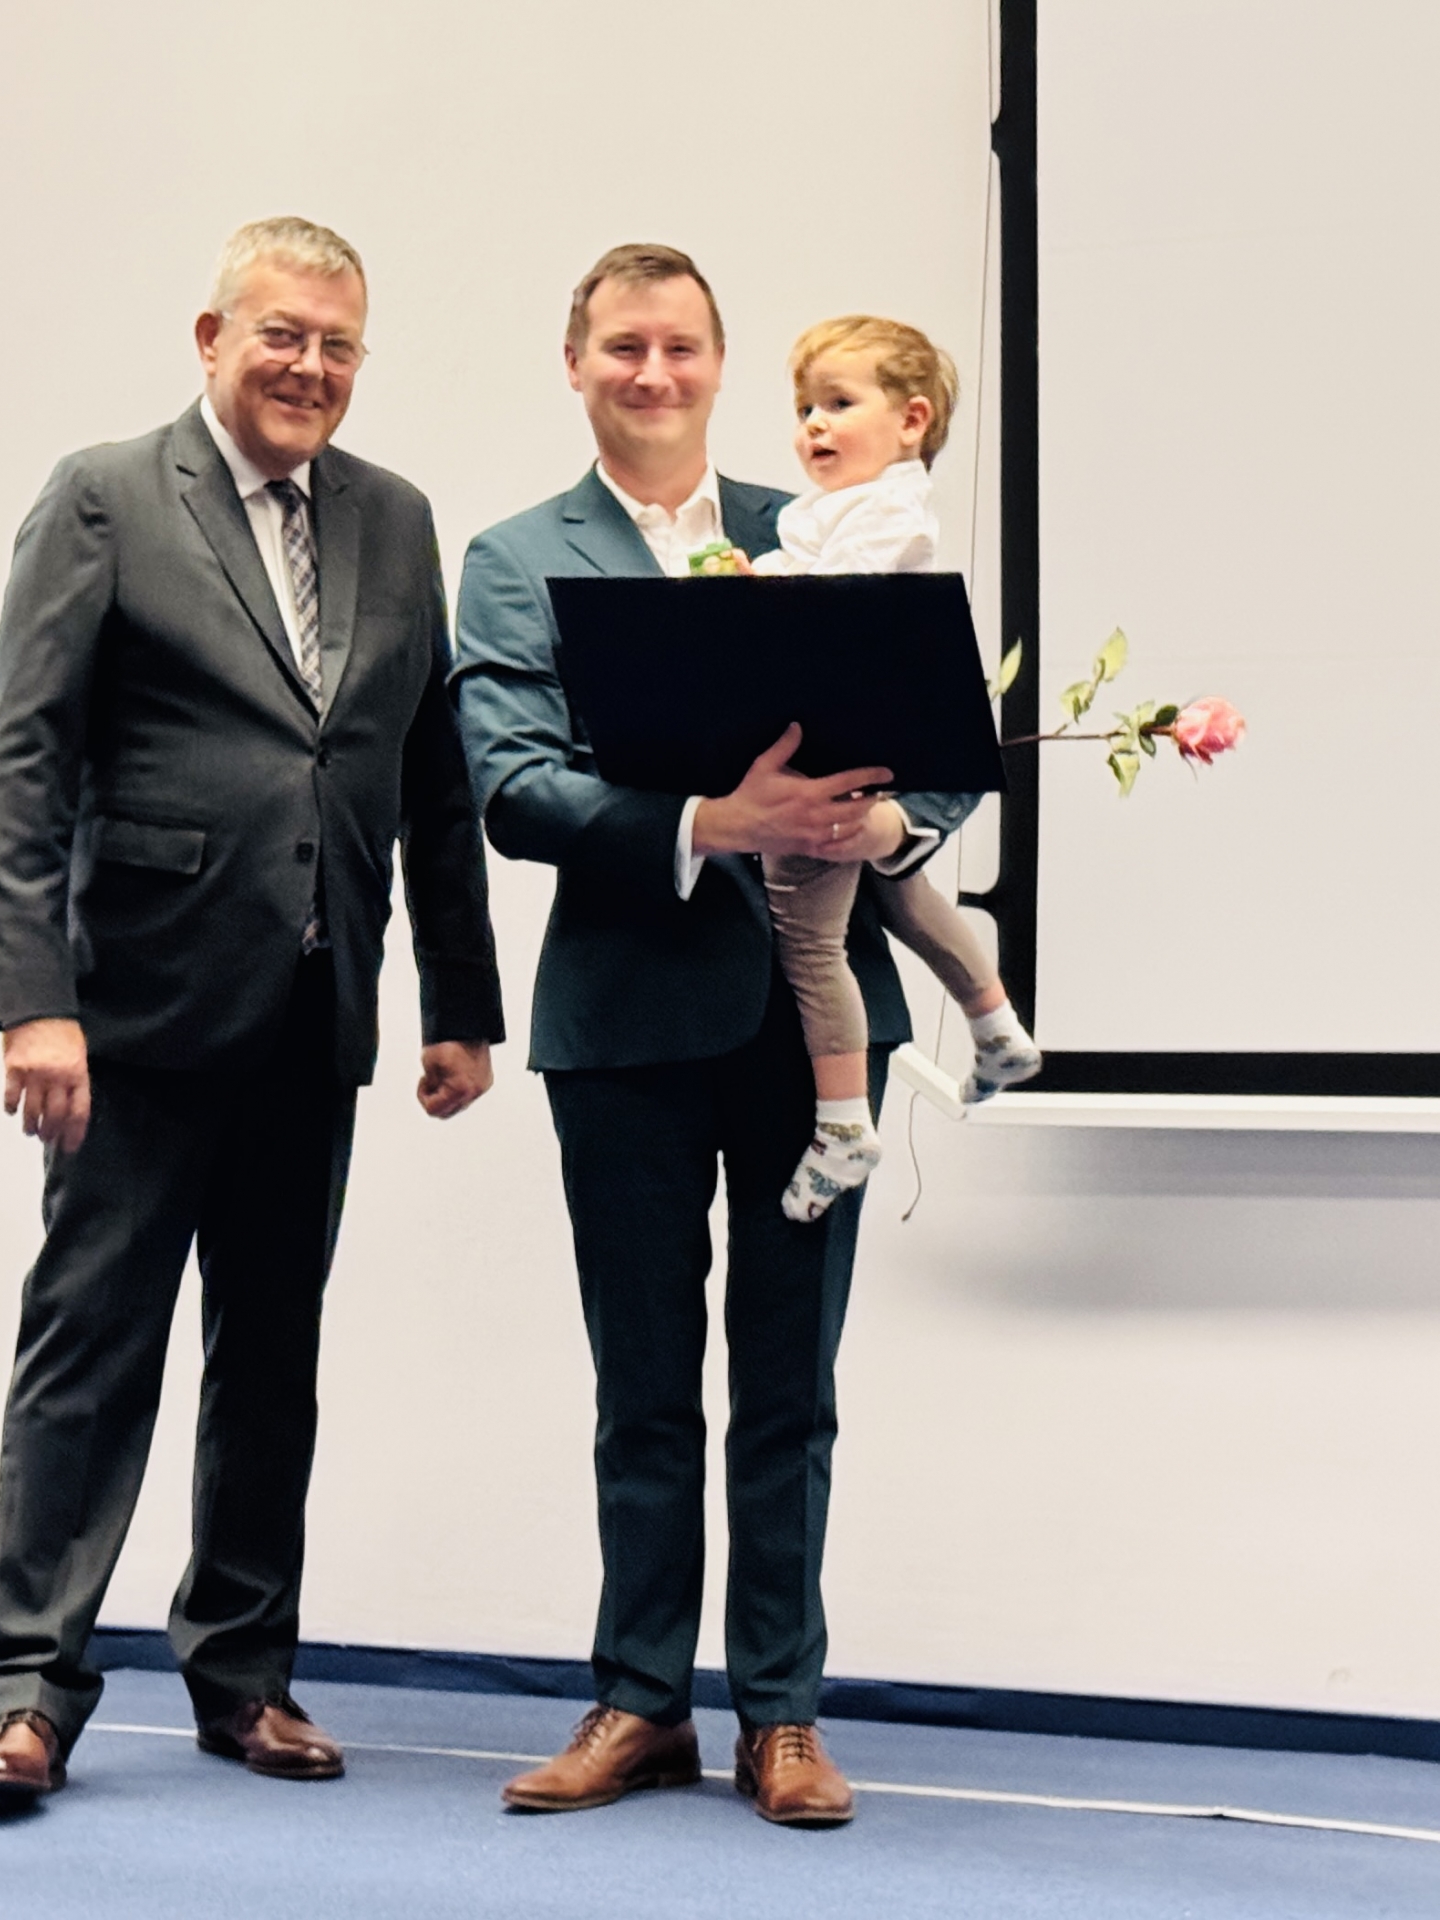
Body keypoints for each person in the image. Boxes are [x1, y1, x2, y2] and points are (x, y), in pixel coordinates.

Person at [0, 216, 505, 1803]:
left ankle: (245, 1675)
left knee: (271, 1361)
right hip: (131, 1015)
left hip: (314, 1008)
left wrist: (458, 999)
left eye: (338, 344)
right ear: (211, 338)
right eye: (283, 334)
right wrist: (33, 1001)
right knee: (91, 1353)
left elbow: (429, 773)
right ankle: (31, 1690)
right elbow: (26, 760)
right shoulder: (105, 495)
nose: (310, 367)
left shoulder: (395, 520)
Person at [450, 245, 972, 1827]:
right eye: (624, 346)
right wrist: (709, 821)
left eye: (680, 346)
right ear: (576, 364)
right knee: (644, 1387)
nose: (653, 372)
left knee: (791, 1389)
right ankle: (638, 1704)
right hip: (622, 1024)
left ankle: (782, 1718)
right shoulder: (515, 557)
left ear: (720, 364)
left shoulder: (823, 519)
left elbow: (941, 749)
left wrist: (883, 824)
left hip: (816, 1039)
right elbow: (512, 783)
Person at [747, 314, 1042, 1222]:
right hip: (858, 739)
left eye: (838, 403)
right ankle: (995, 1024)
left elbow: (835, 607)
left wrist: (752, 598)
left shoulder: (885, 511)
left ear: (911, 421)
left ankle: (843, 1124)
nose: (814, 424)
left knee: (808, 938)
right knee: (899, 886)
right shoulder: (842, 507)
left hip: (829, 753)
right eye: (805, 407)